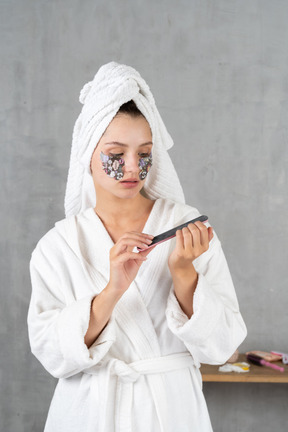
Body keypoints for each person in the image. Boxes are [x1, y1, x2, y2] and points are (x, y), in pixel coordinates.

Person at [27, 62, 247, 432]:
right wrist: (112, 289)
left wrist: (183, 274)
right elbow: (52, 355)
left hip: (172, 412)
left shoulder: (185, 227)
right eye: (116, 153)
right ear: (87, 154)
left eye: (144, 153)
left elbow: (224, 349)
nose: (132, 167)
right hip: (89, 412)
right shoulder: (58, 246)